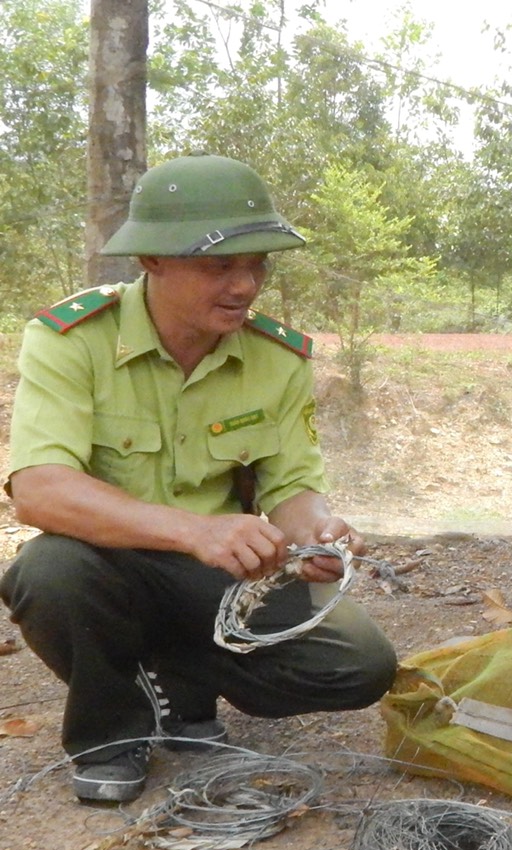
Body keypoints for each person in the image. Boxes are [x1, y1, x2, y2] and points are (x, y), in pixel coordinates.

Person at [1, 154, 398, 804]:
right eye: (219, 266)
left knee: (359, 663)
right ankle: (111, 731)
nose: (244, 285)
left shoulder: (276, 358)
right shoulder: (71, 339)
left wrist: (317, 532)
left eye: (257, 265)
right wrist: (193, 530)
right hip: (104, 563)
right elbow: (40, 490)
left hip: (215, 579)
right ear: (152, 260)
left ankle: (177, 687)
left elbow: (291, 486)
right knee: (48, 573)